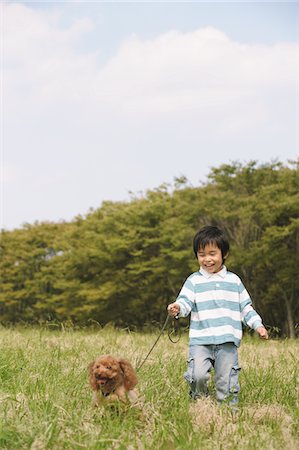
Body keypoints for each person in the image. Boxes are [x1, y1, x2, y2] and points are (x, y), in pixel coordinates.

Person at [167, 225, 268, 406]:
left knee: (227, 381)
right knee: (197, 375)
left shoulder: (234, 281)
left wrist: (258, 325)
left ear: (224, 254)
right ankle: (201, 404)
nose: (207, 259)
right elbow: (185, 302)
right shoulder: (194, 281)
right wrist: (177, 308)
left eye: (212, 253)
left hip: (227, 341)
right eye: (202, 254)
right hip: (200, 341)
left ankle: (228, 413)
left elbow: (245, 308)